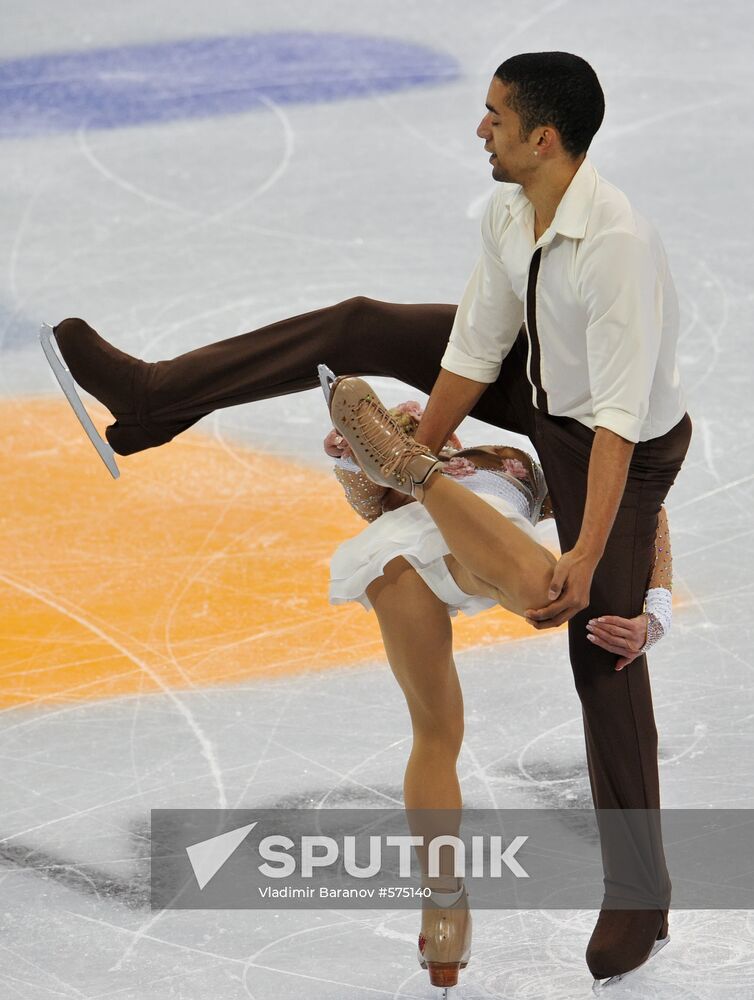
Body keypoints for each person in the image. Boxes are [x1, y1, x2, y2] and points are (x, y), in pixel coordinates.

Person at [47, 49, 691, 989]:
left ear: (543, 138)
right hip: (543, 382)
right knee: (359, 324)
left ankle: (641, 896)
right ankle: (154, 398)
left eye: (496, 117)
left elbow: (624, 420)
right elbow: (474, 344)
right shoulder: (514, 209)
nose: (481, 128)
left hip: (615, 446)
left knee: (601, 649)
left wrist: (589, 551)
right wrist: (411, 460)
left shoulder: (618, 246)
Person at [321, 387, 674, 990]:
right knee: (436, 730)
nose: (424, 418)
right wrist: (351, 454)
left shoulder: (519, 465)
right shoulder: (381, 467)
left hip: (475, 548)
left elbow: (645, 514)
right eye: (402, 422)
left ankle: (422, 475)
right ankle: (444, 905)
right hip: (401, 551)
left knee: (551, 591)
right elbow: (365, 500)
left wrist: (656, 609)